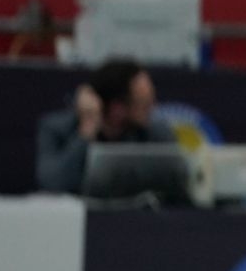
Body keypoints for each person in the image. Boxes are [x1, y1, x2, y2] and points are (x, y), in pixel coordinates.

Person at [35, 58, 170, 193]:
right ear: (118, 108)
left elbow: (176, 184)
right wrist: (86, 132)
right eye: (144, 105)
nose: (154, 108)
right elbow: (53, 184)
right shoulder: (57, 129)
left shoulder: (152, 133)